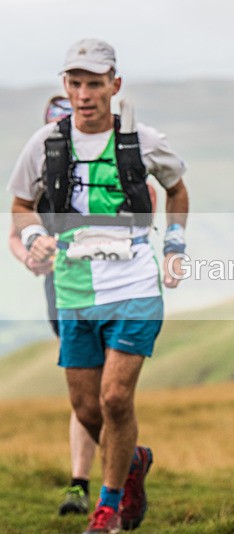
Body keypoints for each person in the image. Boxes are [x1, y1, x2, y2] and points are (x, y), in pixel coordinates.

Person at [7, 38, 189, 533]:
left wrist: (174, 244)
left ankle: (106, 507)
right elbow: (21, 205)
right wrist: (36, 236)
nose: (85, 93)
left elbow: (176, 188)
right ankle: (132, 461)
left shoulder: (143, 140)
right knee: (86, 407)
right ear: (65, 86)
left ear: (115, 85)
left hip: (133, 283)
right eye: (75, 83)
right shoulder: (46, 142)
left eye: (94, 83)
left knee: (113, 398)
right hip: (73, 288)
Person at [8, 95, 97, 516]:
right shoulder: (40, 173)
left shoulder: (109, 165)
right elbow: (16, 229)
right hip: (60, 291)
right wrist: (30, 254)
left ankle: (107, 480)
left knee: (107, 393)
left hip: (112, 289)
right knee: (85, 393)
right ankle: (87, 483)